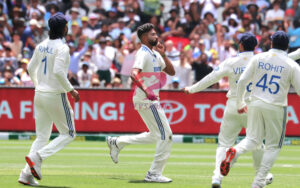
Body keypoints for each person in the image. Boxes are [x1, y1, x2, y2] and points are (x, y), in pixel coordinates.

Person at [183, 33, 272, 188]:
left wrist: (191, 89)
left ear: (241, 45)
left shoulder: (231, 61)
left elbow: (211, 78)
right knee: (257, 142)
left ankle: (217, 178)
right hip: (253, 105)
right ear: (255, 47)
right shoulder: (262, 61)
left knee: (224, 143)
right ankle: (261, 176)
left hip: (233, 105)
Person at [220, 31, 300, 188]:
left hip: (255, 103)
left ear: (271, 43)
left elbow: (242, 81)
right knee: (273, 146)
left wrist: (239, 103)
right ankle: (258, 182)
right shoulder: (292, 64)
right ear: (287, 46)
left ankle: (235, 151)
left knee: (252, 139)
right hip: (276, 106)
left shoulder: (258, 58)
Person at [107, 23, 175, 183]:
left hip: (148, 99)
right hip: (146, 99)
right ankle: (154, 174)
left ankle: (117, 142)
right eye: (152, 34)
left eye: (155, 33)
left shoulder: (156, 54)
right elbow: (133, 73)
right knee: (166, 135)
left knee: (155, 135)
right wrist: (147, 90)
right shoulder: (143, 53)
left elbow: (172, 72)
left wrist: (164, 55)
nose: (156, 36)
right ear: (144, 38)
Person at [18, 12, 80, 186]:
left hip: (40, 94)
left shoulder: (42, 45)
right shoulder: (63, 47)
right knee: (69, 133)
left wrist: (39, 85)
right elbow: (59, 72)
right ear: (64, 28)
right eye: (67, 25)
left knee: (42, 136)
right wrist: (72, 90)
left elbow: (30, 68)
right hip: (55, 94)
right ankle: (37, 156)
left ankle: (25, 175)